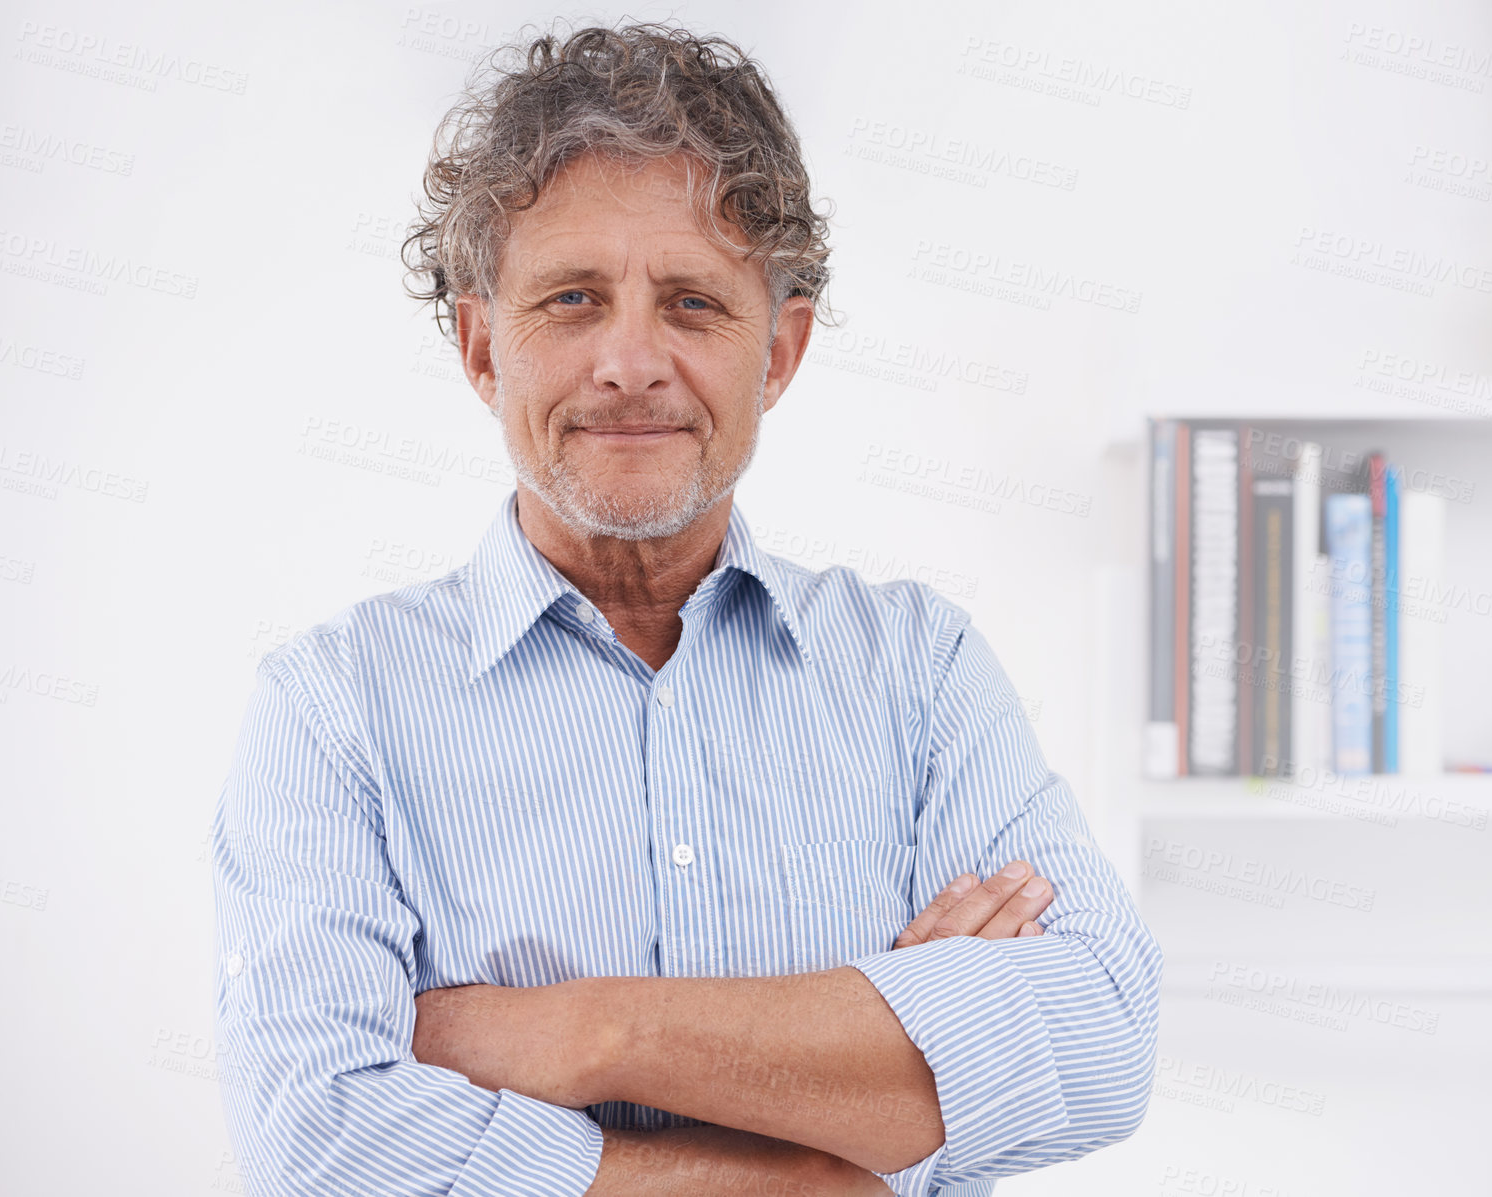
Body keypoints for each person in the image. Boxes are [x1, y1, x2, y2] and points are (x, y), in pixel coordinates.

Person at [209, 20, 1163, 1197]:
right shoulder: (333, 706)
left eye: (694, 305)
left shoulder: (918, 667)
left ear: (778, 352)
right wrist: (821, 1149)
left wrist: (584, 1033)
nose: (629, 361)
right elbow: (321, 1133)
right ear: (479, 348)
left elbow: (1100, 1034)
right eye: (569, 298)